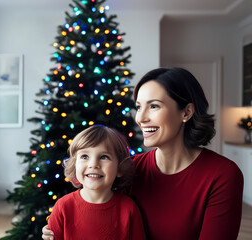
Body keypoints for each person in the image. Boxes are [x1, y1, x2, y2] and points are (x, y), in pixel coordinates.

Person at [43, 67, 244, 240]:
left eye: (154, 106)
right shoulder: (129, 169)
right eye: (139, 107)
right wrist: (56, 229)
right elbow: (96, 215)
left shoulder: (222, 175)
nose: (141, 118)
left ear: (186, 112)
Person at [47, 125, 146, 240]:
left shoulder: (129, 209)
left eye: (104, 157)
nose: (93, 164)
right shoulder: (63, 207)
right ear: (74, 165)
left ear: (119, 168)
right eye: (85, 156)